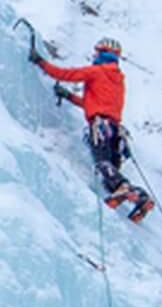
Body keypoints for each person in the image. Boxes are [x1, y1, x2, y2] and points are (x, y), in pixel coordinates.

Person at [32, 35, 150, 219]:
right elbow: (97, 103)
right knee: (111, 170)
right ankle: (138, 197)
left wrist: (40, 62)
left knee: (102, 162)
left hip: (100, 126)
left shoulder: (97, 71)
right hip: (115, 130)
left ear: (102, 53)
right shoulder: (118, 80)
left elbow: (65, 75)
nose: (94, 55)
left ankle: (125, 188)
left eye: (97, 51)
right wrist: (70, 97)